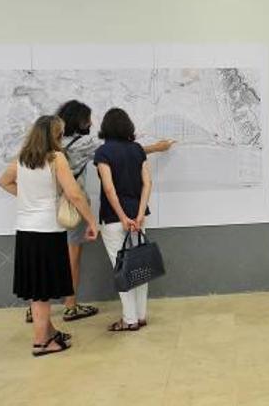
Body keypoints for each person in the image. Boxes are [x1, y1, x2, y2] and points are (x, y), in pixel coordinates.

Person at [23, 100, 175, 324]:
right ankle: (71, 305)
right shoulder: (86, 144)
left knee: (45, 255)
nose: (91, 123)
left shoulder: (45, 144)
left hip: (44, 206)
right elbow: (122, 153)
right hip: (71, 207)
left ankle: (36, 306)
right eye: (87, 119)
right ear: (79, 120)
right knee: (72, 256)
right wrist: (157, 147)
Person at [0, 115, 99, 356]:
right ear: (55, 135)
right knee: (43, 291)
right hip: (47, 231)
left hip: (25, 231)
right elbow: (74, 194)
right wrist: (91, 221)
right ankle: (41, 343)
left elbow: (3, 182)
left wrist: (29, 199)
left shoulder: (21, 159)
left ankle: (50, 332)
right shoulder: (56, 158)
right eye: (61, 133)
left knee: (36, 288)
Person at [94, 108, 154, 332]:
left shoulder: (103, 153)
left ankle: (129, 320)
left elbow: (109, 189)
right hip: (138, 218)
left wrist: (122, 217)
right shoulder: (138, 150)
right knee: (139, 267)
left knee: (122, 270)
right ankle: (141, 315)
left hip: (113, 219)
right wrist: (138, 215)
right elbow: (147, 183)